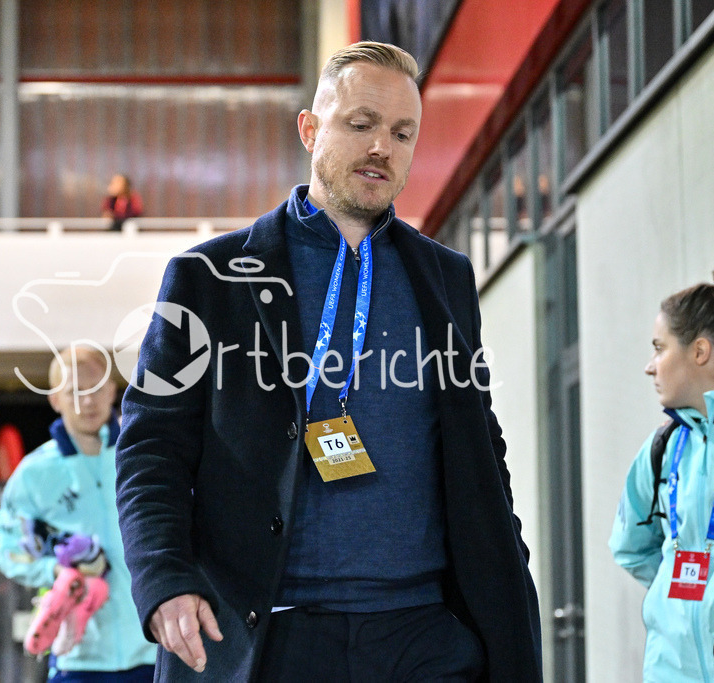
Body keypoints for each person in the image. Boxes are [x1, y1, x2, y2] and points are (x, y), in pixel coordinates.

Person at [115, 41, 541, 681]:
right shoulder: (210, 278)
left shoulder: (445, 278)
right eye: (361, 124)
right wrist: (164, 576)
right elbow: (150, 446)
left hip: (424, 636)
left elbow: (481, 443)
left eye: (402, 133)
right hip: (270, 636)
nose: (382, 148)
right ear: (310, 131)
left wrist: (508, 580)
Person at [0, 348, 156, 682]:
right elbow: (9, 546)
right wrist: (54, 570)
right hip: (78, 658)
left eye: (95, 388)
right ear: (55, 399)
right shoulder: (35, 473)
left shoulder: (143, 456)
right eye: (74, 392)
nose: (88, 401)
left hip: (154, 645)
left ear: (112, 390)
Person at [609, 261, 714, 682]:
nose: (650, 365)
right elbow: (630, 546)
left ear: (699, 352)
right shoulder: (661, 449)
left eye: (659, 348)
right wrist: (678, 595)